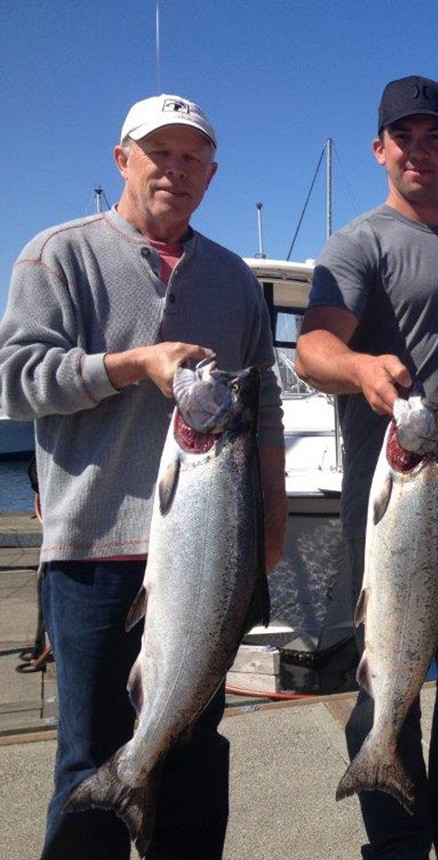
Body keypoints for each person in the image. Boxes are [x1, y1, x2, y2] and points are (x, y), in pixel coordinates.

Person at [0, 93, 287, 859]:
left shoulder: (231, 277)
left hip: (210, 556)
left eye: (193, 157)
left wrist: (274, 520)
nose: (176, 168)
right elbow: (17, 378)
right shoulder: (56, 254)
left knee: (192, 750)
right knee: (89, 751)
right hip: (95, 551)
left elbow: (261, 407)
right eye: (160, 152)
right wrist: (132, 366)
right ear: (122, 158)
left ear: (212, 173)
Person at [294, 75, 438, 860]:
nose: (419, 150)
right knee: (385, 679)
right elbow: (314, 347)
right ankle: (395, 840)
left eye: (434, 137)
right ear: (379, 148)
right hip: (393, 507)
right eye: (404, 137)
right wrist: (358, 370)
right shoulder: (359, 242)